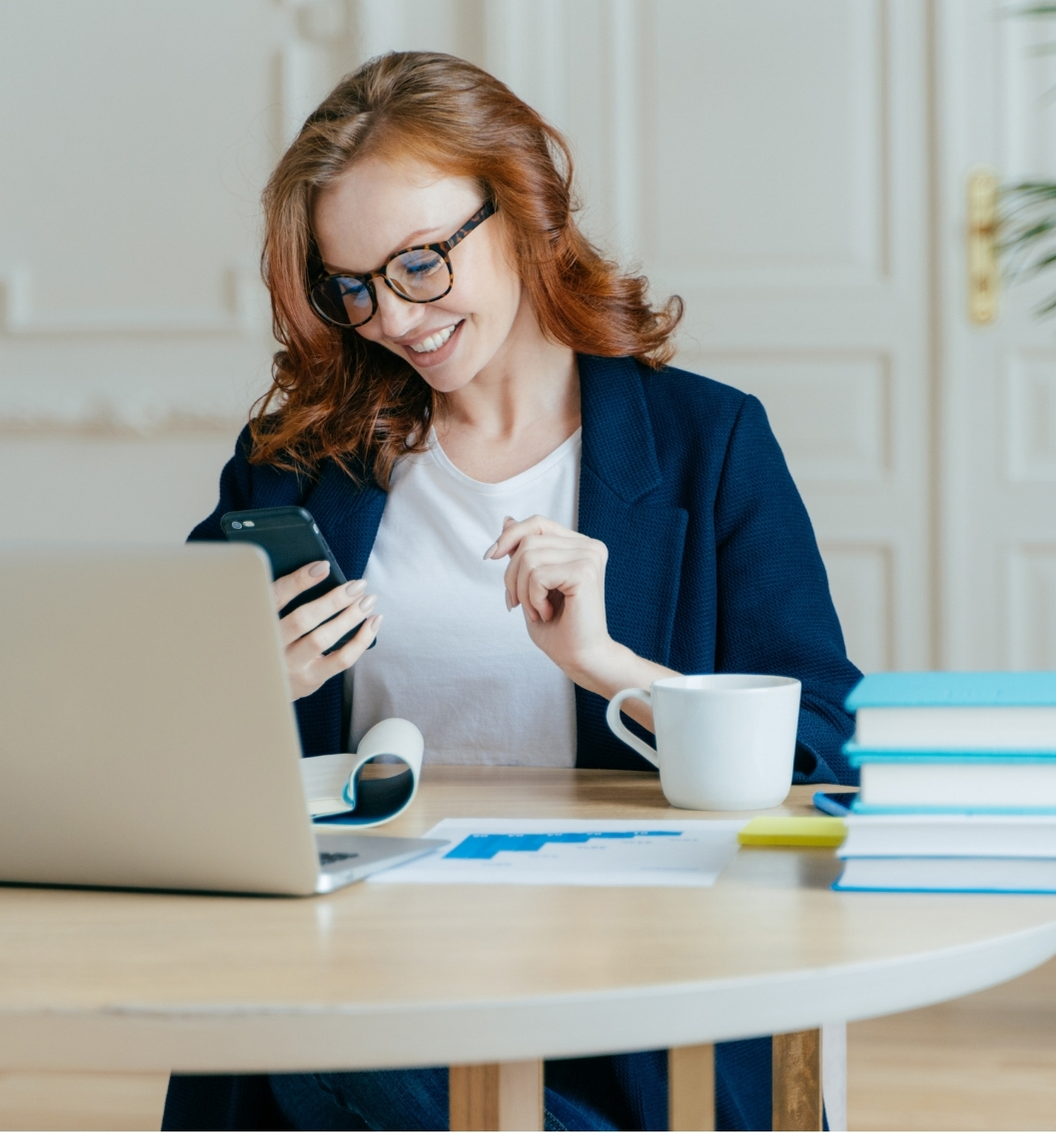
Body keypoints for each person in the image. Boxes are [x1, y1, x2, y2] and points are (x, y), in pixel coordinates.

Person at [163, 50, 860, 1132]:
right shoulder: (296, 463)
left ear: (526, 208)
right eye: (353, 286)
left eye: (423, 263)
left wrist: (614, 670)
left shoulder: (706, 444)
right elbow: (150, 733)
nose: (393, 317)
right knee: (321, 1039)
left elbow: (825, 749)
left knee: (332, 1052)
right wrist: (244, 683)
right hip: (360, 979)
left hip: (618, 1001)